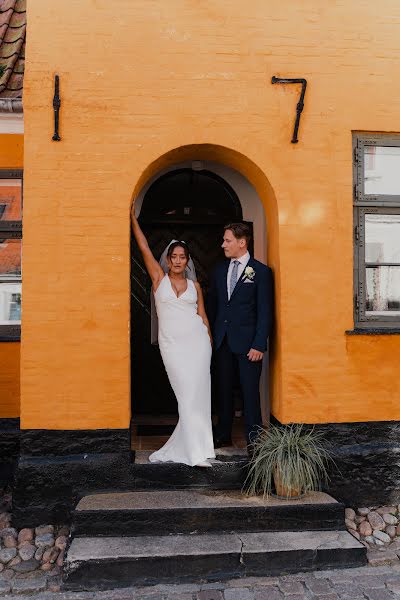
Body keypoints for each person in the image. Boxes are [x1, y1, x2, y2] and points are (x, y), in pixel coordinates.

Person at [130, 202, 215, 468]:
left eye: (182, 257)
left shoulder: (195, 285)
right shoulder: (158, 279)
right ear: (167, 259)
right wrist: (132, 219)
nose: (178, 261)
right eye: (174, 257)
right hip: (173, 345)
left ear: (188, 261)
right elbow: (144, 247)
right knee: (185, 393)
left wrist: (209, 341)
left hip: (198, 343)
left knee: (199, 395)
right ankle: (193, 449)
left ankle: (199, 450)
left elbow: (202, 316)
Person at [207, 222, 274, 454]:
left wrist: (259, 343)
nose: (223, 244)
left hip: (249, 344)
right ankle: (223, 434)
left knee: (249, 392)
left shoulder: (261, 272)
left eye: (227, 240)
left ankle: (254, 441)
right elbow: (214, 307)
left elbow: (265, 311)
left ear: (242, 242)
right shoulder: (218, 271)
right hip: (223, 341)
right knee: (223, 390)